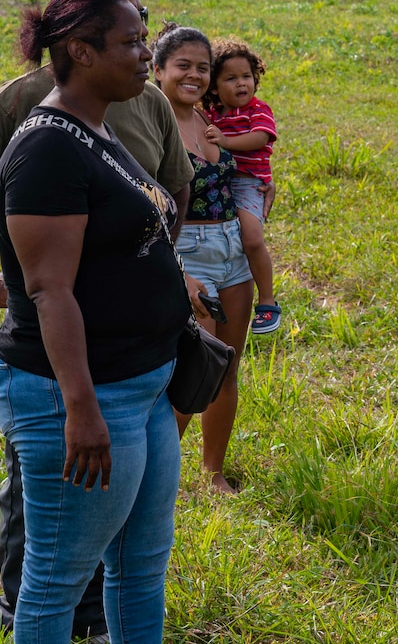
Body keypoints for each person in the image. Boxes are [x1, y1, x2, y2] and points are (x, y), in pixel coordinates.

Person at [0, 0, 191, 642]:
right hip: (85, 393)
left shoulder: (97, 126)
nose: (145, 55)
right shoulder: (47, 147)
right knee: (57, 582)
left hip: (141, 383)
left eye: (145, 38)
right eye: (130, 43)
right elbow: (48, 289)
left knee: (139, 566)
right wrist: (82, 408)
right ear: (80, 52)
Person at [151, 25, 256, 494]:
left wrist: (258, 196)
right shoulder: (147, 122)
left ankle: (213, 473)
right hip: (186, 252)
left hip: (234, 250)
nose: (193, 76)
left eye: (202, 68)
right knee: (192, 369)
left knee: (227, 366)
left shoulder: (211, 119)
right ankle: (156, 480)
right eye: (182, 66)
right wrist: (176, 267)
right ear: (157, 71)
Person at [203, 38, 280, 335]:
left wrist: (225, 141)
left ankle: (268, 301)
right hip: (221, 184)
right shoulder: (211, 114)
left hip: (249, 184)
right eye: (231, 78)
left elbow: (259, 138)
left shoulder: (257, 109)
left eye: (246, 76)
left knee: (250, 237)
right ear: (214, 85)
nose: (241, 84)